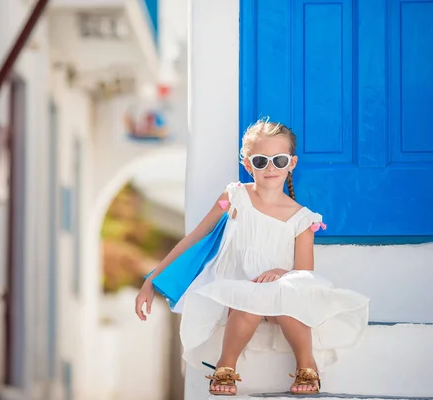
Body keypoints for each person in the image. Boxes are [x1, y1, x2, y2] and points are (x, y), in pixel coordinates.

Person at [135, 119, 369, 396]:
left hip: (280, 298)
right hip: (235, 294)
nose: (271, 167)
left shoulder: (303, 219)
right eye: (261, 161)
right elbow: (195, 237)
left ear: (291, 163)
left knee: (289, 297)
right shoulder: (233, 197)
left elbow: (306, 274)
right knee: (249, 300)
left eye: (279, 160)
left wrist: (282, 273)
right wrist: (152, 280)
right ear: (248, 165)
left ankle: (308, 364)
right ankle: (225, 366)